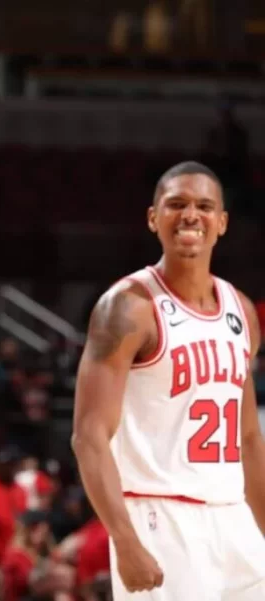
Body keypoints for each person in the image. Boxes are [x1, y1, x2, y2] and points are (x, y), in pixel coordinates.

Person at [72, 161, 265, 600]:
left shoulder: (242, 310)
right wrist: (123, 539)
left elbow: (249, 438)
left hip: (232, 516)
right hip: (161, 517)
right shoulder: (127, 307)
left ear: (222, 222)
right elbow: (89, 436)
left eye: (204, 206)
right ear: (153, 217)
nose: (190, 215)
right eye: (176, 204)